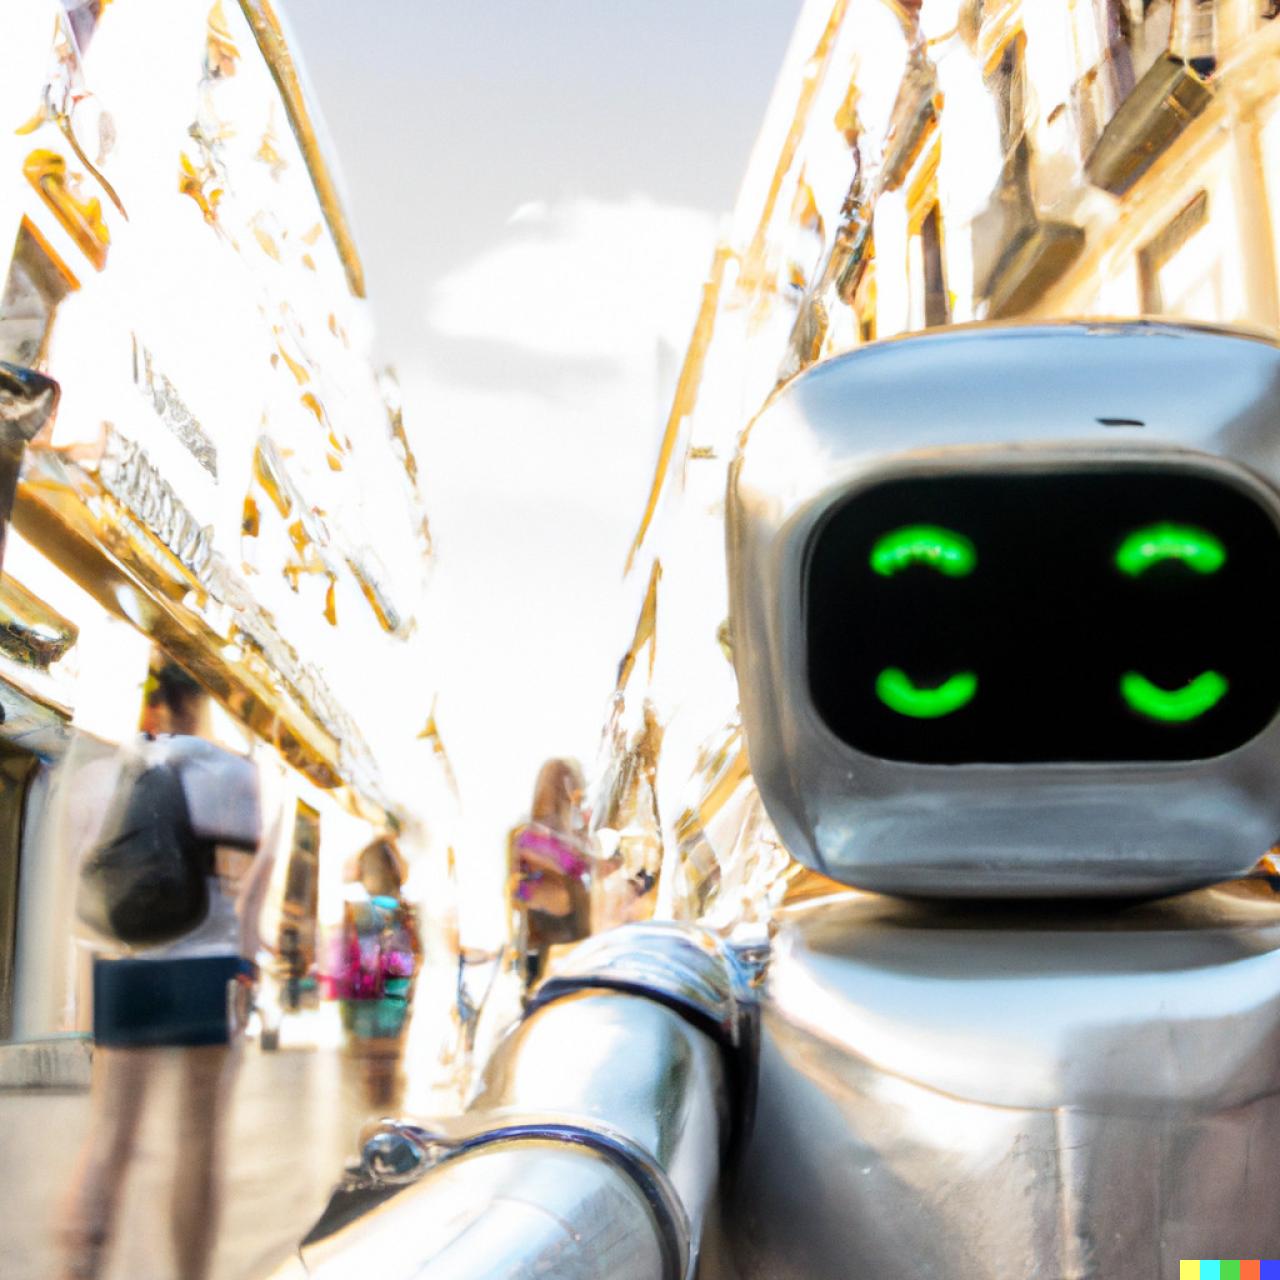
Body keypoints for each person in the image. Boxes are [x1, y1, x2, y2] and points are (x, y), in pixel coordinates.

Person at [60, 659, 268, 1280]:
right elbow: (239, 887)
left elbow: (91, 889)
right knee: (198, 1144)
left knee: (110, 1141)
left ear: (148, 703)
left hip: (128, 970)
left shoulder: (99, 776)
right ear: (202, 704)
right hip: (205, 968)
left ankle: (79, 1271)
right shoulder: (233, 774)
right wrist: (245, 971)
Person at [325, 837, 421, 1111]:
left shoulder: (356, 910)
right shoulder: (404, 910)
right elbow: (412, 953)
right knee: (388, 1060)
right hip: (395, 991)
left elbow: (342, 955)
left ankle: (370, 1114)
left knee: (367, 1063)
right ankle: (388, 1109)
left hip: (362, 993)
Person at [507, 758, 595, 989]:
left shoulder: (574, 836)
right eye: (562, 785)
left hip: (569, 926)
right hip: (549, 924)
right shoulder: (529, 836)